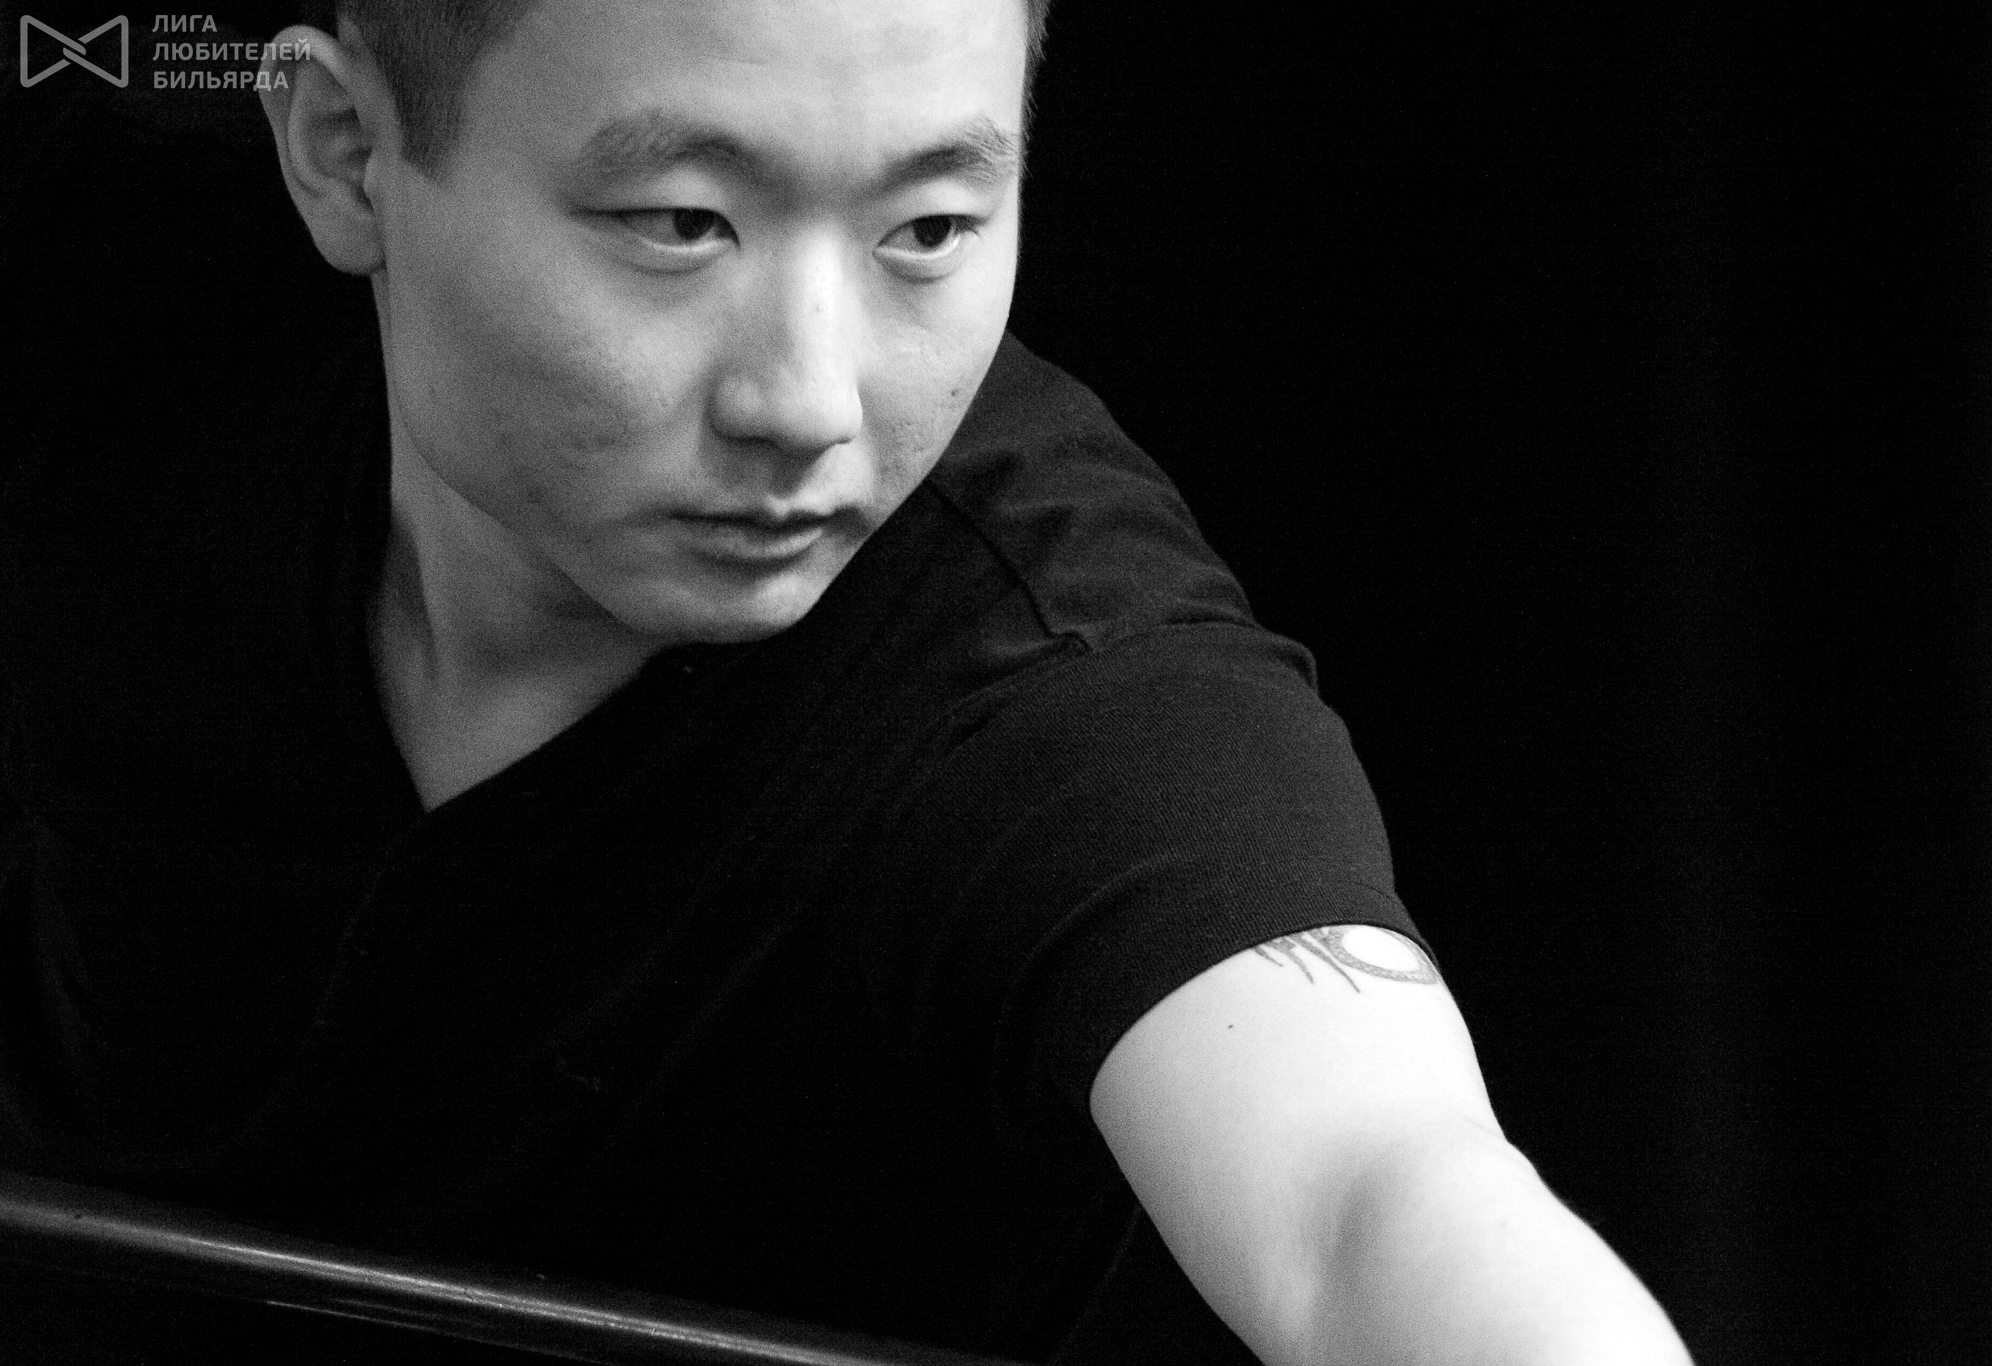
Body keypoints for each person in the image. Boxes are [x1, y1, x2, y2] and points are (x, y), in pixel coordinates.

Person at [0, 0, 1693, 1361]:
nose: (808, 401)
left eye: (931, 229)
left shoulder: (1054, 678)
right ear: (346, 151)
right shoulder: (116, 241)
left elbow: (1367, 1201)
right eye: (684, 224)